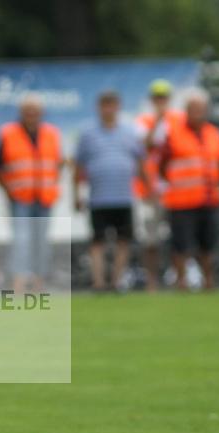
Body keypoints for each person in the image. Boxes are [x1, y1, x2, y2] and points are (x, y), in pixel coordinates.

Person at [74, 90, 149, 291]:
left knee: (123, 241)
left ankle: (116, 281)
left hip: (123, 196)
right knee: (97, 241)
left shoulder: (130, 132)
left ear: (118, 107)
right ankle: (98, 282)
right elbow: (78, 166)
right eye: (104, 105)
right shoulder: (88, 133)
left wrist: (147, 188)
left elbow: (141, 162)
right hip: (98, 197)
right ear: (99, 108)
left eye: (112, 104)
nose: (108, 109)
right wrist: (77, 194)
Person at [159, 90, 219, 290]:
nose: (198, 113)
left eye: (201, 109)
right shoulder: (174, 133)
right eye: (193, 109)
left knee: (208, 243)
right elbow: (163, 164)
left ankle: (208, 282)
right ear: (186, 111)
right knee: (181, 244)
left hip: (208, 199)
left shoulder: (213, 133)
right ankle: (182, 282)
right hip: (181, 200)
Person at [0, 95, 62, 294]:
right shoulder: (8, 133)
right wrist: (8, 191)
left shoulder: (52, 133)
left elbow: (57, 164)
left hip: (44, 197)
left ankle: (39, 284)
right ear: (21, 113)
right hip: (20, 198)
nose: (31, 115)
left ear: (41, 113)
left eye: (35, 112)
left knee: (42, 242)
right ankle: (19, 284)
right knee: (21, 241)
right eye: (28, 111)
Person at [135, 79, 185, 291]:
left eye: (163, 97)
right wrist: (158, 119)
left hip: (175, 189)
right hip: (149, 190)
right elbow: (143, 146)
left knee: (178, 237)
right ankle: (151, 281)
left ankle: (179, 279)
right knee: (151, 240)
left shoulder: (179, 119)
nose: (161, 101)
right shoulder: (143, 120)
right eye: (157, 98)